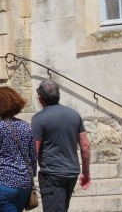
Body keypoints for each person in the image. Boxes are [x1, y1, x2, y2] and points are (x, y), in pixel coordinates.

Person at [31, 80, 91, 212]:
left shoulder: (39, 118)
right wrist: (86, 171)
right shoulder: (74, 114)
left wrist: (28, 175)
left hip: (51, 174)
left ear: (40, 97)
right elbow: (85, 145)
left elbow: (34, 150)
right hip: (71, 173)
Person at [0, 87, 38, 212]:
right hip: (24, 181)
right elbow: (33, 154)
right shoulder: (26, 126)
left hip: (4, 180)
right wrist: (32, 174)